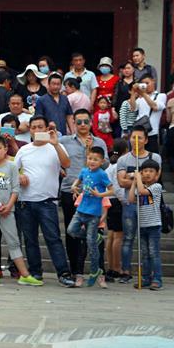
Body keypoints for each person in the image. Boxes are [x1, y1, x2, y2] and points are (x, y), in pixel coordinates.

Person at [15, 116, 75, 287]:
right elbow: (12, 171)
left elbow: (67, 164)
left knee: (53, 238)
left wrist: (55, 143)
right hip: (25, 201)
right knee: (30, 239)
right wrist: (19, 176)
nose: (37, 130)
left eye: (40, 127)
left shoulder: (55, 147)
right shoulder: (24, 150)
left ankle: (63, 273)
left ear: (47, 129)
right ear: (30, 130)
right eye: (33, 127)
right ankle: (35, 272)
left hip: (48, 202)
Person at [0, 136, 42, 286]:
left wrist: (9, 206)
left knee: (14, 241)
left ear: (5, 149)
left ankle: (24, 274)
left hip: (8, 209)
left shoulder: (12, 167)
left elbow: (15, 189)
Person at [59, 109, 108, 282]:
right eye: (78, 122)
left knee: (95, 230)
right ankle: (75, 270)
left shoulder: (99, 142)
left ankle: (99, 271)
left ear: (91, 123)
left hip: (93, 194)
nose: (82, 125)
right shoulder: (64, 141)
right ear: (73, 122)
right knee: (72, 232)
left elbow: (106, 165)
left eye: (86, 121)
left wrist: (90, 152)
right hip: (71, 191)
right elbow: (56, 159)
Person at [115, 126, 162, 284]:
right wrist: (136, 180)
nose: (136, 141)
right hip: (130, 204)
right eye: (133, 137)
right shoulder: (123, 159)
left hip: (149, 207)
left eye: (139, 138)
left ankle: (154, 277)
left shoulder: (155, 157)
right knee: (128, 238)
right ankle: (125, 271)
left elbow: (154, 180)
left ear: (146, 140)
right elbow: (121, 182)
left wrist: (136, 178)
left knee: (150, 249)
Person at [68, 146, 114, 288]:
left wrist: (100, 195)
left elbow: (112, 190)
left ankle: (95, 271)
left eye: (95, 159)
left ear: (102, 161)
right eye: (90, 158)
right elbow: (77, 181)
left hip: (94, 213)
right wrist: (74, 187)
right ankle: (93, 237)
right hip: (81, 209)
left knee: (91, 246)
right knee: (71, 230)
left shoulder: (101, 174)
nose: (92, 161)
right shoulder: (84, 171)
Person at [129, 159, 164, 290]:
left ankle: (157, 279)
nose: (148, 174)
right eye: (145, 171)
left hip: (153, 225)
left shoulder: (156, 187)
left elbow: (143, 192)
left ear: (156, 174)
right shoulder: (140, 186)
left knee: (154, 253)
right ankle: (145, 278)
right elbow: (131, 199)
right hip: (142, 226)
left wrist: (138, 178)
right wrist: (134, 183)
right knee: (144, 253)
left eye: (151, 171)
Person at [104, 138, 127, 281]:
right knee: (118, 236)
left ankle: (111, 266)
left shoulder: (109, 166)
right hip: (117, 201)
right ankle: (117, 267)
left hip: (109, 200)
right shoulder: (120, 165)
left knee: (111, 235)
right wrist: (124, 201)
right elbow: (118, 187)